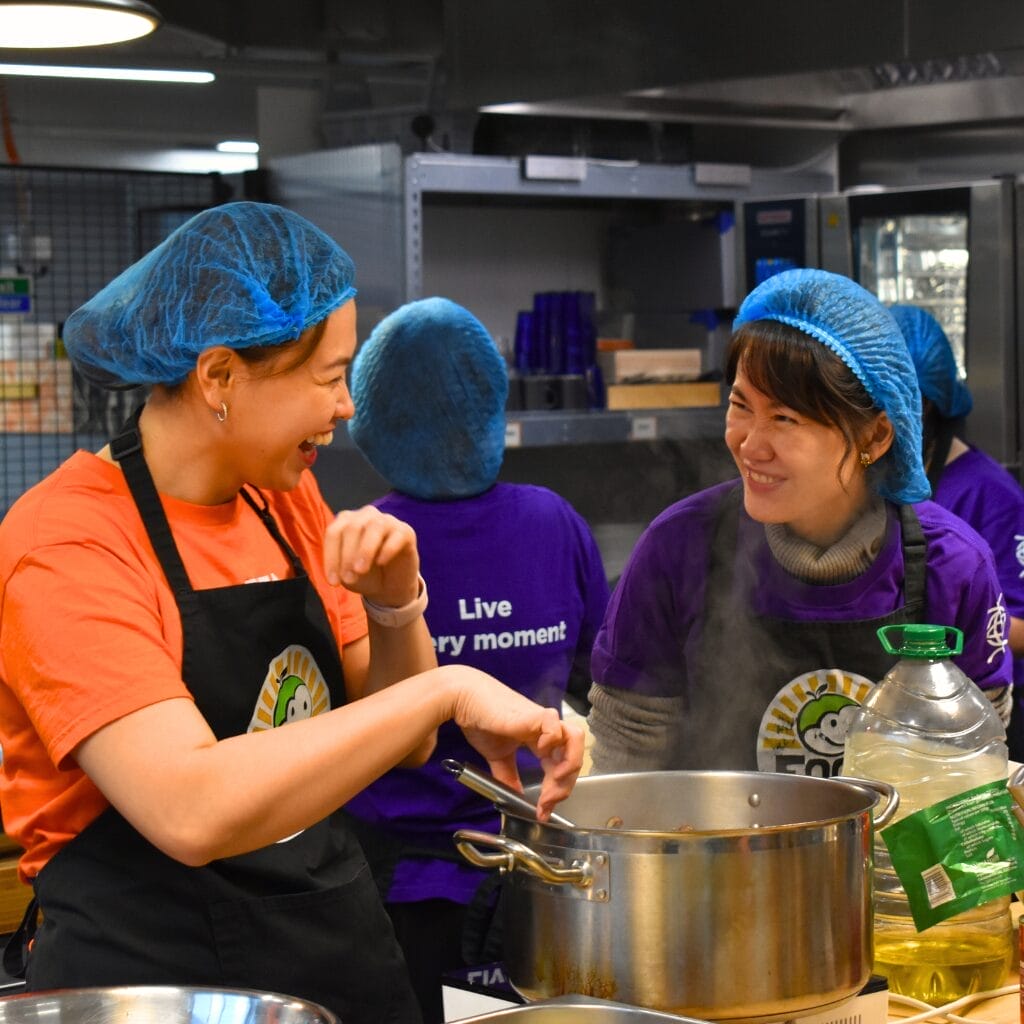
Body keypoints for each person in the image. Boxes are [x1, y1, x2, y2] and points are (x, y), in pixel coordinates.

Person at [0, 202, 583, 1024]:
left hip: (333, 965)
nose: (347, 407)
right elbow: (190, 808)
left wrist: (395, 605)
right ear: (219, 378)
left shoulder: (283, 501)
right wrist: (447, 688)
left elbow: (404, 740)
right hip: (156, 990)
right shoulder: (69, 542)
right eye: (328, 377)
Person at [587, 268, 1012, 776]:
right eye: (740, 405)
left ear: (876, 437)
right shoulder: (678, 549)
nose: (750, 444)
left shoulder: (953, 566)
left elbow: (973, 770)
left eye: (785, 419)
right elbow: (626, 759)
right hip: (714, 828)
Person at [340, 296, 610, 1023]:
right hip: (538, 864)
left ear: (375, 417)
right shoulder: (554, 520)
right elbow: (602, 677)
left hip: (405, 886)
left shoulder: (371, 543)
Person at [891, 302, 1024, 759]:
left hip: (977, 711)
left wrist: (946, 614)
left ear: (924, 404)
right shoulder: (885, 488)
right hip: (907, 711)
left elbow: (1019, 627)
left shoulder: (991, 494)